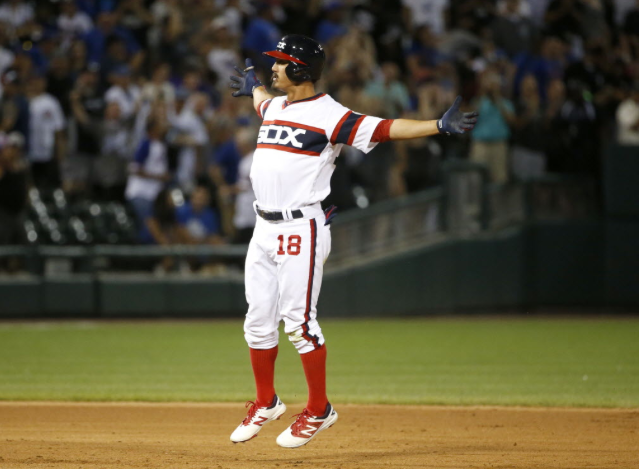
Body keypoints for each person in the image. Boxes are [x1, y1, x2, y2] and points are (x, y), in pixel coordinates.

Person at [227, 34, 477, 448]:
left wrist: (435, 124)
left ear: (301, 70)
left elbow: (385, 128)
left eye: (281, 62)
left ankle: (319, 409)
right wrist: (253, 87)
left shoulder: (330, 115)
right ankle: (266, 401)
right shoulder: (273, 105)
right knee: (257, 321)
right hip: (263, 228)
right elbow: (259, 100)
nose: (273, 67)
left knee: (299, 323)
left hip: (298, 227)